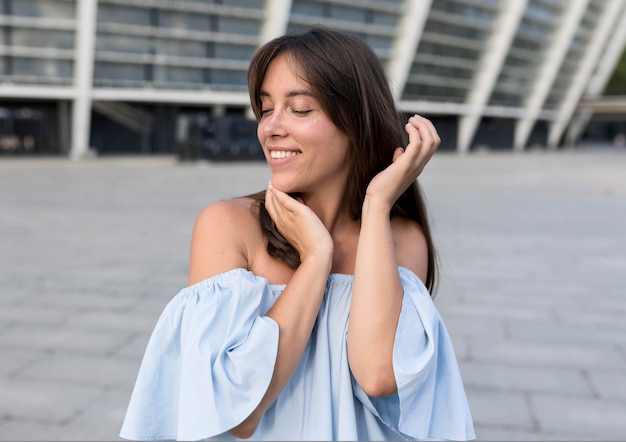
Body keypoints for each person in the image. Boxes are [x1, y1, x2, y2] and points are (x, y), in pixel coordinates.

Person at [120, 27, 475, 441]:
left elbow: (378, 375)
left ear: (356, 123)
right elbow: (239, 415)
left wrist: (377, 204)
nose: (271, 128)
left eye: (300, 109)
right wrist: (315, 260)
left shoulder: (399, 237)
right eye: (266, 109)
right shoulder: (228, 225)